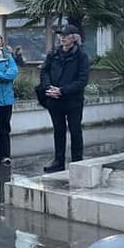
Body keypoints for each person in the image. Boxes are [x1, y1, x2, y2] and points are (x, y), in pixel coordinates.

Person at [41, 24, 90, 173]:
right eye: (61, 35)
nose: (62, 38)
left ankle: (77, 160)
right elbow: (44, 71)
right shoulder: (53, 53)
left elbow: (82, 80)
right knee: (58, 129)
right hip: (54, 99)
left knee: (75, 130)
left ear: (74, 38)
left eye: (66, 35)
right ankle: (58, 160)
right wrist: (49, 87)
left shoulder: (81, 56)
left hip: (73, 100)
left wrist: (62, 90)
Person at [0, 34, 18, 166]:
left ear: (2, 43)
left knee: (4, 127)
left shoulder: (8, 58)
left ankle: (5, 155)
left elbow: (12, 73)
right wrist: (3, 75)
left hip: (6, 98)